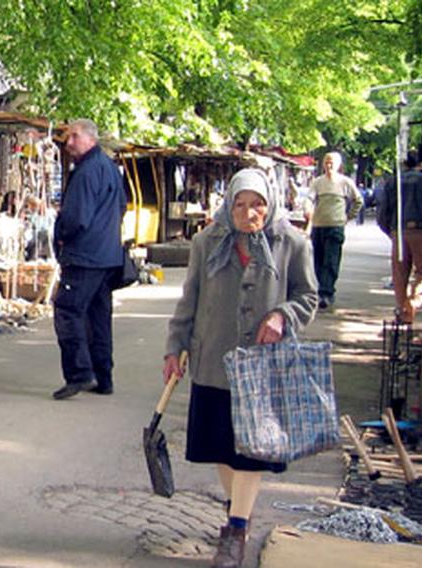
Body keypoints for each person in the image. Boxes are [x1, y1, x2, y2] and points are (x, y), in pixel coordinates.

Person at [163, 168, 317, 567]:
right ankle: (238, 506)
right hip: (213, 357)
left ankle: (235, 529)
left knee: (251, 451)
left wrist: (282, 317)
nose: (249, 212)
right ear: (228, 205)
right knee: (222, 446)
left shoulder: (293, 243)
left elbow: (308, 296)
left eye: (257, 204)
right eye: (240, 204)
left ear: (271, 204)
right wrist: (173, 347)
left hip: (263, 365)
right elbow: (189, 299)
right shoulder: (205, 242)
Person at [51, 119, 127, 400]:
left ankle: (80, 374)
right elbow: (122, 206)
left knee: (67, 311)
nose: (68, 142)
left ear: (90, 139)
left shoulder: (85, 172)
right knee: (98, 316)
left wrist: (61, 235)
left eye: (74, 136)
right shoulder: (109, 168)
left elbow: (76, 218)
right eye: (67, 137)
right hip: (108, 256)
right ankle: (103, 377)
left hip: (84, 256)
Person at [376, 150, 422, 324]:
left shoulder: (392, 182)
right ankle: (413, 301)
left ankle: (402, 310)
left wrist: (391, 232)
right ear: (420, 164)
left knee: (399, 273)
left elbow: (382, 211)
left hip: (399, 231)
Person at [307, 152, 362, 310]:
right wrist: (307, 207)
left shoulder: (345, 182)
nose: (329, 165)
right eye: (326, 162)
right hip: (318, 226)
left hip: (336, 226)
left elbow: (358, 200)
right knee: (318, 261)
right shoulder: (317, 182)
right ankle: (323, 288)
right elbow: (309, 198)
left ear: (338, 165)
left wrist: (348, 217)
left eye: (332, 162)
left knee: (331, 261)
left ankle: (326, 292)